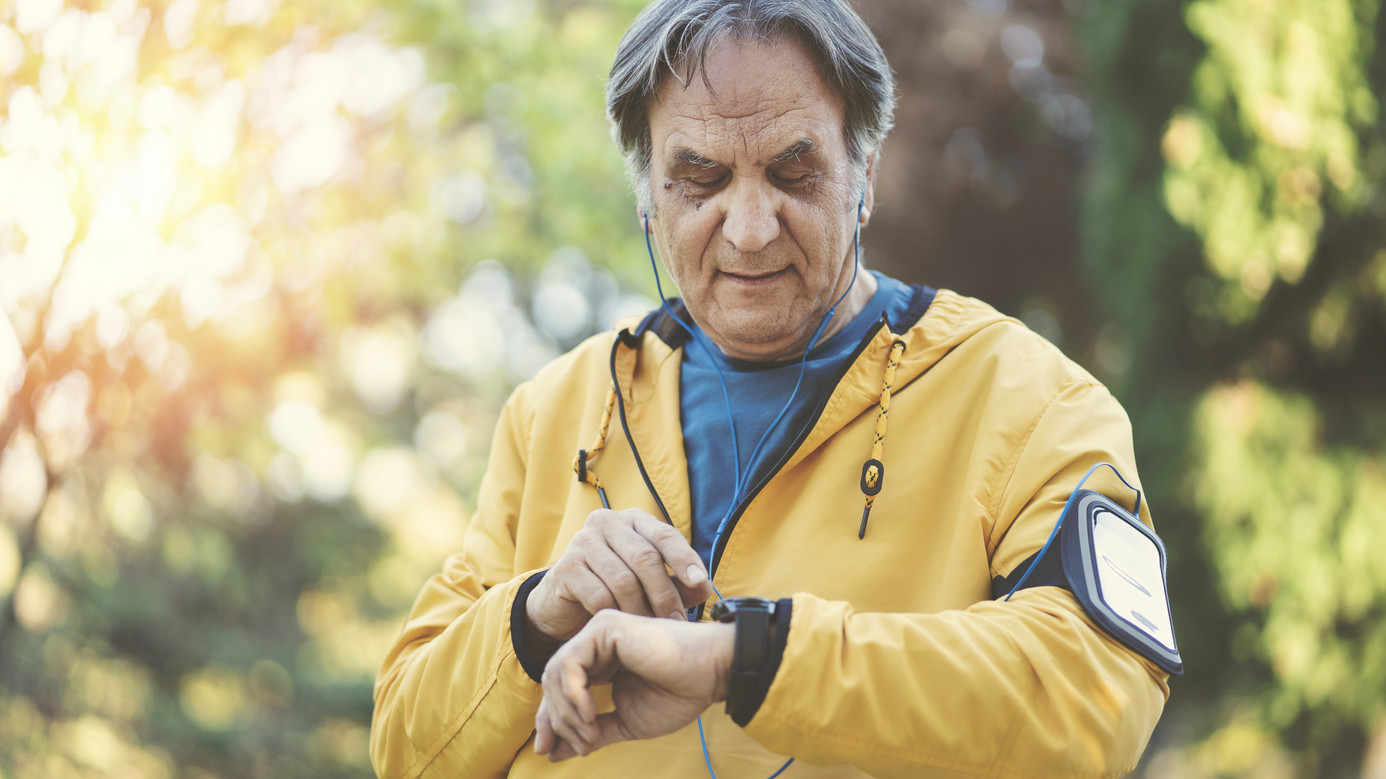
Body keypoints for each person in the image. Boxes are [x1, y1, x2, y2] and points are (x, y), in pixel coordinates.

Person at [371, 1, 1176, 776]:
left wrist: (747, 658)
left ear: (864, 174)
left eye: (794, 173)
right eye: (700, 179)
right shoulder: (550, 412)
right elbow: (405, 747)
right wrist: (534, 616)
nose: (751, 228)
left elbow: (1096, 694)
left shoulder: (1031, 398)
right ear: (647, 198)